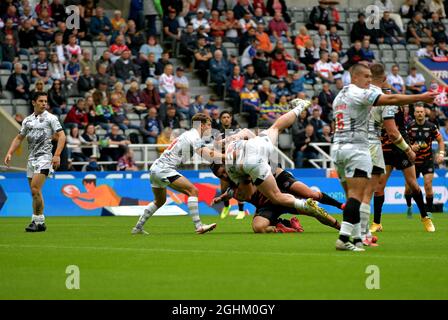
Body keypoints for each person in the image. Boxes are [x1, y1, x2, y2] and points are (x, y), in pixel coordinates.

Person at [331, 63, 437, 251]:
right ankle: (350, 236)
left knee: (353, 195)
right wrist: (421, 97)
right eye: (365, 77)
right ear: (354, 77)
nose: (369, 81)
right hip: (360, 147)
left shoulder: (340, 94)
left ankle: (357, 238)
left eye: (371, 77)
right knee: (363, 195)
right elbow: (393, 111)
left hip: (337, 147)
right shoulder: (365, 94)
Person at [131, 113, 221, 235]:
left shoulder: (189, 134)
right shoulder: (194, 137)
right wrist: (228, 157)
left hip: (155, 169)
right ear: (202, 125)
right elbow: (207, 155)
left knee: (159, 201)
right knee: (193, 191)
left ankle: (137, 228)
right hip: (165, 169)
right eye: (209, 125)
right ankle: (199, 226)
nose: (210, 128)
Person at [4, 92, 66, 232]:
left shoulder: (51, 118)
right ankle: (41, 222)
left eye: (45, 101)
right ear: (34, 102)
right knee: (35, 193)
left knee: (35, 188)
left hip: (45, 158)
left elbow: (62, 136)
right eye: (41, 101)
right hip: (32, 159)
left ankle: (34, 220)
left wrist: (57, 155)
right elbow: (19, 138)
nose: (44, 103)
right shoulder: (27, 120)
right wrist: (9, 152)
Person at [405, 104, 445, 216]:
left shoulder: (431, 127)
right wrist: (410, 147)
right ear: (414, 113)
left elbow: (440, 140)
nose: (419, 114)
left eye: (421, 112)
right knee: (408, 189)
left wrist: (441, 153)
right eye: (417, 112)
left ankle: (429, 212)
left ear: (424, 113)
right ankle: (409, 206)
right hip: (412, 161)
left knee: (428, 185)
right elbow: (403, 141)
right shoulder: (409, 126)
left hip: (427, 160)